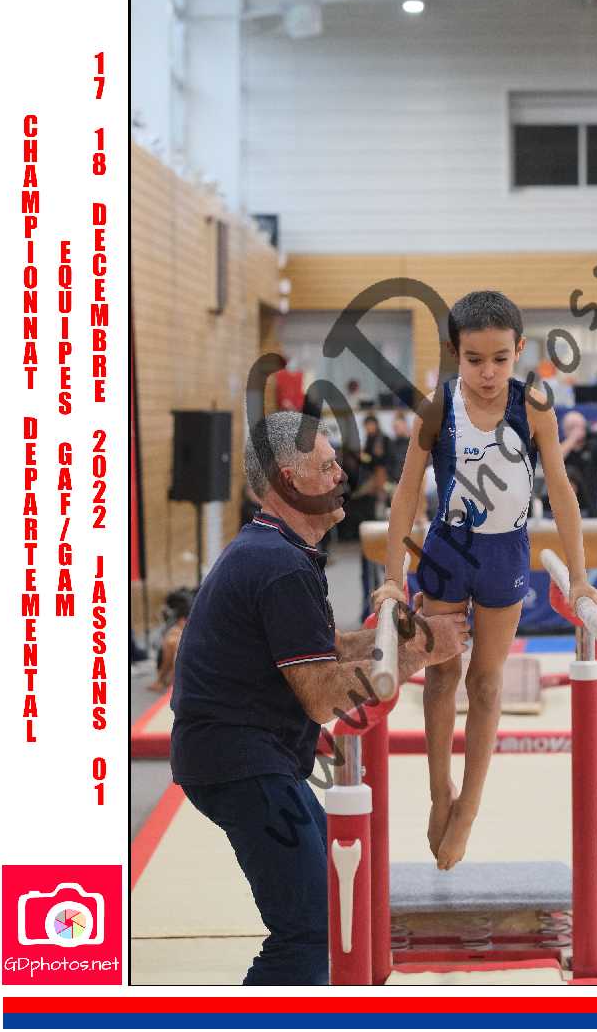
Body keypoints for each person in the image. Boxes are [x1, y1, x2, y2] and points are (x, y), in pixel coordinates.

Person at [170, 411, 469, 985]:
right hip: (239, 764)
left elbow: (325, 647)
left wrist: (404, 634)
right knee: (309, 928)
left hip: (245, 758)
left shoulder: (274, 548)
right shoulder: (278, 565)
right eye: (328, 467)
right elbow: (324, 697)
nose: (341, 476)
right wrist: (424, 652)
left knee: (331, 896)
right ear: (290, 482)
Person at [371, 290, 597, 872]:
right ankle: (440, 790)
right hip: (447, 550)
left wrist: (580, 578)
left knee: (484, 682)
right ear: (455, 353)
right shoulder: (438, 407)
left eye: (500, 360)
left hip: (505, 552)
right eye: (474, 359)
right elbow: (407, 492)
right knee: (441, 675)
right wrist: (392, 579)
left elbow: (561, 491)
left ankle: (470, 807)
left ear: (520, 351)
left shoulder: (532, 405)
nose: (487, 373)